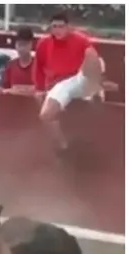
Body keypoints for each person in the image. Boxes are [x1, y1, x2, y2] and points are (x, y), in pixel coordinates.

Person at [34, 11, 107, 153]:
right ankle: (63, 146)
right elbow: (38, 66)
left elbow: (93, 59)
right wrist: (39, 88)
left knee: (93, 58)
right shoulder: (44, 43)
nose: (58, 30)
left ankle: (96, 89)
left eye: (61, 26)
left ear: (68, 27)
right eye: (54, 27)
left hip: (79, 78)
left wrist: (96, 79)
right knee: (45, 115)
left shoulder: (80, 39)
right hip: (61, 84)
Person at [0, 27, 36, 96]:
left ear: (31, 45)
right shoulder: (11, 65)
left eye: (24, 45)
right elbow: (2, 86)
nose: (21, 48)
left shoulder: (39, 65)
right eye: (19, 45)